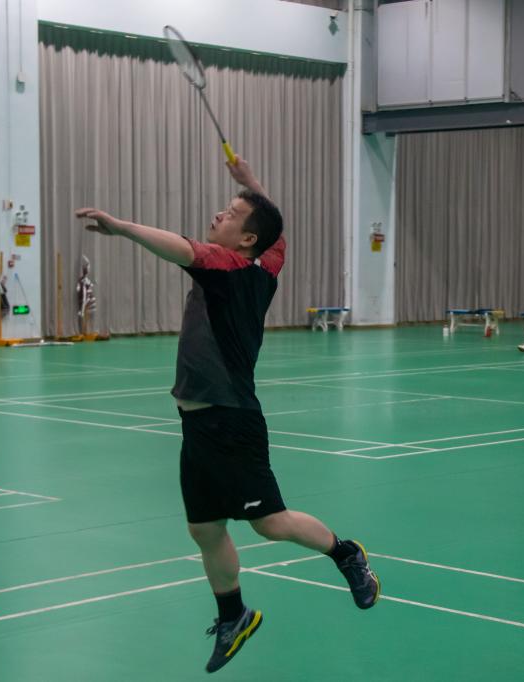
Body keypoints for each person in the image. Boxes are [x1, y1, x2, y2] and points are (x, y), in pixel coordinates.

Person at [76, 158, 379, 674]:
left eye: (231, 213)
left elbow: (181, 247)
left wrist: (122, 227)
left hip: (230, 420)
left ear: (246, 240)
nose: (219, 215)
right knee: (205, 528)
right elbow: (277, 232)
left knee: (270, 523)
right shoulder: (265, 263)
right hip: (197, 423)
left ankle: (346, 554)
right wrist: (252, 185)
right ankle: (234, 615)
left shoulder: (228, 267)